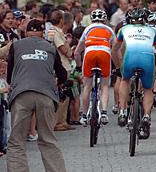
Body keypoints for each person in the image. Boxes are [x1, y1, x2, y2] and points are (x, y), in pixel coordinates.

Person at [6, 19, 67, 172]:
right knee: (48, 140)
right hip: (45, 95)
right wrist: (59, 83)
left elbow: (10, 75)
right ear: (43, 33)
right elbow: (63, 74)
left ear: (26, 32)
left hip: (21, 95)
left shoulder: (16, 45)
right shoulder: (50, 47)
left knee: (17, 141)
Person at [111, 8, 156, 139]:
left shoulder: (123, 30)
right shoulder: (152, 31)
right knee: (148, 89)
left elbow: (114, 50)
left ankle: (123, 111)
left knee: (125, 80)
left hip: (130, 58)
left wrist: (118, 67)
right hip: (148, 59)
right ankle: (146, 116)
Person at [74, 9, 115, 126]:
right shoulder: (109, 29)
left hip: (90, 53)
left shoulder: (87, 29)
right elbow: (116, 47)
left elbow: (77, 52)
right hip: (104, 52)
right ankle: (104, 113)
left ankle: (84, 115)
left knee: (87, 85)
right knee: (105, 85)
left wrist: (78, 66)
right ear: (105, 19)